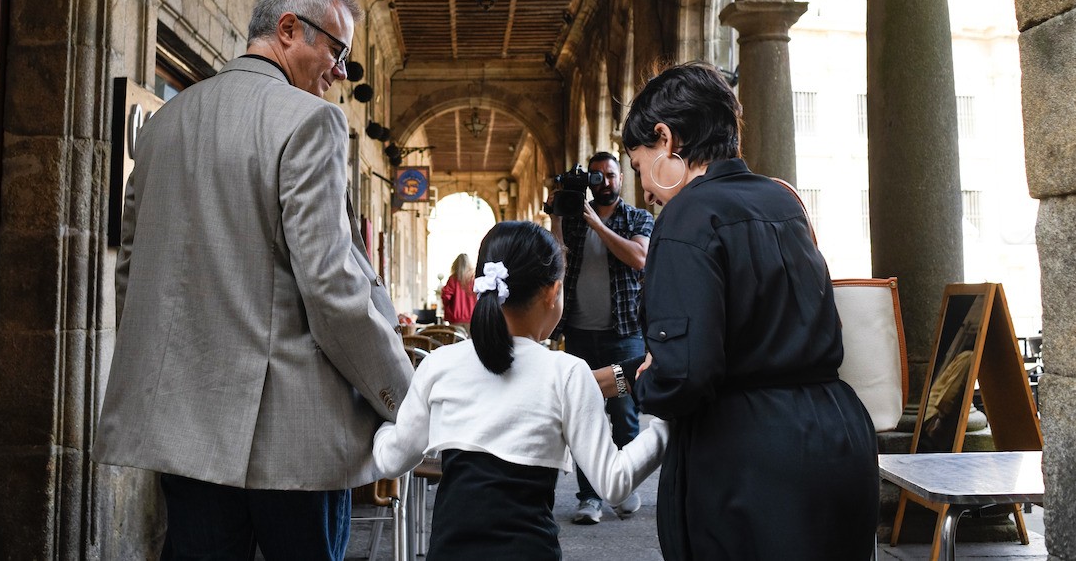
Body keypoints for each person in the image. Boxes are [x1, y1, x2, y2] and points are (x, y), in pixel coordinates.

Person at [92, 0, 413, 560]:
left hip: (185, 432)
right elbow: (333, 289)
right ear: (289, 29)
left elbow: (134, 273)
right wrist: (401, 397)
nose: (340, 72)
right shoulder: (309, 122)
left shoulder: (164, 125)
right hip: (293, 442)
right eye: (337, 51)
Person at [603, 61, 879, 560]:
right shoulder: (783, 199)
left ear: (666, 139)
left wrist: (639, 383)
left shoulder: (687, 216)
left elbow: (684, 373)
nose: (642, 188)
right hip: (838, 440)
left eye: (639, 166)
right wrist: (621, 376)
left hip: (750, 461)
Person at [372, 221, 667, 560]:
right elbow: (614, 483)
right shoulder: (568, 372)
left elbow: (392, 459)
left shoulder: (439, 364)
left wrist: (379, 428)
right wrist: (667, 425)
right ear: (552, 292)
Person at [551, 151, 654, 524]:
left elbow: (639, 258)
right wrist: (558, 217)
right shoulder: (576, 220)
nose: (604, 182)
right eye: (596, 177)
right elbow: (556, 259)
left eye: (610, 175)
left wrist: (596, 223)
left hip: (624, 335)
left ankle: (622, 486)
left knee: (625, 416)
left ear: (621, 178)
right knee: (583, 416)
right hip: (579, 333)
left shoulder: (637, 217)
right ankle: (590, 497)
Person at [440, 253, 477, 334]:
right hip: (472, 317)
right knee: (472, 343)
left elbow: (446, 297)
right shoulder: (474, 279)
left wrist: (447, 306)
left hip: (455, 318)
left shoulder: (453, 279)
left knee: (457, 343)